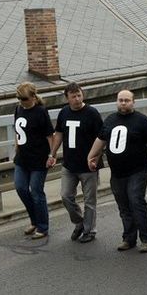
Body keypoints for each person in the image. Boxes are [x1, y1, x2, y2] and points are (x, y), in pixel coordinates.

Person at [87, 90, 147, 253]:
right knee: (123, 205)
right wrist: (91, 156)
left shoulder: (142, 121)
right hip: (117, 172)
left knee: (136, 201)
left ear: (133, 102)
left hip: (138, 170)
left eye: (127, 100)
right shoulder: (110, 120)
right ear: (117, 102)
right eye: (120, 100)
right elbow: (100, 140)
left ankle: (146, 238)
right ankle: (129, 238)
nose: (123, 103)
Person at [48, 82, 103, 243]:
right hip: (69, 164)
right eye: (74, 97)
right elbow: (58, 133)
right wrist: (52, 153)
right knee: (65, 196)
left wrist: (96, 159)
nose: (77, 99)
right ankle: (79, 222)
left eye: (79, 95)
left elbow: (101, 138)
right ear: (67, 98)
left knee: (89, 201)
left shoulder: (92, 113)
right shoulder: (64, 113)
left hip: (88, 165)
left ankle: (89, 230)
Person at [14, 82, 54, 240]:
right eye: (19, 98)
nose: (21, 101)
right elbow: (17, 130)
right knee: (21, 188)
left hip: (39, 159)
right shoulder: (18, 109)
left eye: (24, 98)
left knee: (36, 192)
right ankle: (34, 220)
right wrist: (16, 147)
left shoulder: (41, 111)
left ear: (32, 97)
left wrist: (52, 155)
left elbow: (49, 135)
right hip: (22, 158)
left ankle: (42, 226)